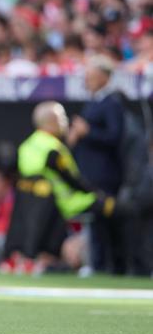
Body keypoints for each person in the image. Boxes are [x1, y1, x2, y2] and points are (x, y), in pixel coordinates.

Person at [6, 101, 116, 272]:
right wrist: (97, 193)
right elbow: (73, 180)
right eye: (62, 118)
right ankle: (101, 263)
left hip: (35, 208)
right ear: (52, 121)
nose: (66, 122)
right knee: (112, 207)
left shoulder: (27, 145)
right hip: (62, 203)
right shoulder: (53, 147)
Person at [68, 55, 125, 273]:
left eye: (90, 74)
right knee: (96, 222)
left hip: (105, 174)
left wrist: (87, 131)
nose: (87, 78)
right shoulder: (93, 101)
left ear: (104, 76)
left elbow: (114, 136)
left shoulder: (112, 102)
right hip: (91, 173)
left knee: (108, 222)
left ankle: (112, 266)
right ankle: (97, 263)